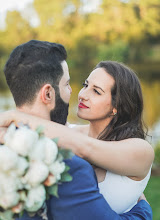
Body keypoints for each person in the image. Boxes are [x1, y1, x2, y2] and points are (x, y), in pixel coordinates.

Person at [0, 40, 153, 219]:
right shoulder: (64, 132)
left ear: (116, 106)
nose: (82, 94)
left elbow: (86, 148)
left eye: (96, 91)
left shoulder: (140, 150)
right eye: (85, 84)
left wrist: (15, 116)